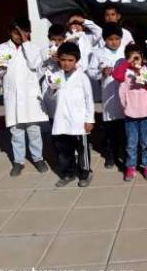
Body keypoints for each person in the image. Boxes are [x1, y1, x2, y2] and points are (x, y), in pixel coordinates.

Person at [0, 17, 49, 176]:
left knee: (34, 130)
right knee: (16, 131)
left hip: (30, 97)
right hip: (13, 96)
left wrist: (25, 42)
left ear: (28, 33)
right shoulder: (1, 48)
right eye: (16, 33)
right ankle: (18, 161)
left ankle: (38, 158)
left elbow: (34, 64)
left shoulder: (34, 47)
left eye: (22, 33)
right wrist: (1, 67)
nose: (18, 36)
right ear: (10, 32)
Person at [113, 44, 147, 181]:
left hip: (146, 113)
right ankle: (130, 167)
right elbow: (116, 76)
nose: (135, 60)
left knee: (146, 141)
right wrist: (127, 62)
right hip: (130, 113)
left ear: (143, 58)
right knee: (131, 142)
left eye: (138, 57)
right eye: (131, 57)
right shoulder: (125, 72)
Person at [50, 42, 94, 187]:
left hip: (78, 121)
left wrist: (89, 120)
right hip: (61, 121)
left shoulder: (82, 77)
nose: (66, 63)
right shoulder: (55, 76)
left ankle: (85, 173)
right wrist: (53, 91)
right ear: (58, 60)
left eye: (70, 60)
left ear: (76, 61)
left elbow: (89, 99)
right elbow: (50, 97)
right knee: (63, 151)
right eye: (63, 60)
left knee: (82, 150)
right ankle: (68, 173)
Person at [88, 24, 126, 168]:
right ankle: (111, 155)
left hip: (125, 96)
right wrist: (101, 73)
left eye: (117, 39)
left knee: (124, 130)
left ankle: (124, 155)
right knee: (111, 130)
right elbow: (91, 71)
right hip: (108, 95)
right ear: (105, 39)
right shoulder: (98, 53)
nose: (114, 42)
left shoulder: (125, 52)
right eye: (110, 39)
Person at [40, 23, 67, 119]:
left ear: (64, 38)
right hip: (49, 85)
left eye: (59, 40)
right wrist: (48, 60)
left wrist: (60, 60)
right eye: (53, 39)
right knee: (52, 114)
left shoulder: (69, 50)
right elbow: (39, 71)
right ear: (48, 38)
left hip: (64, 83)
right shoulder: (44, 51)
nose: (56, 43)